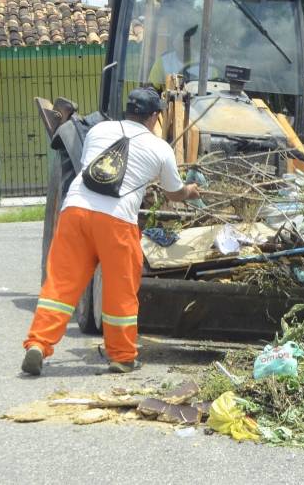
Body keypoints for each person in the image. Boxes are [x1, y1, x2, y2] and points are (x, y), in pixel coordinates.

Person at [21, 87, 200, 376]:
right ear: (155, 116)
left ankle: (38, 344)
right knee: (121, 290)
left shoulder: (99, 130)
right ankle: (121, 357)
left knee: (60, 286)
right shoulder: (160, 148)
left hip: (75, 211)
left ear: (128, 110)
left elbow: (90, 170)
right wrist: (190, 191)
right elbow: (174, 193)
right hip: (117, 222)